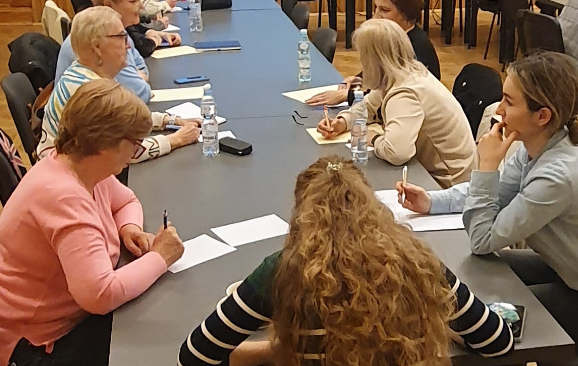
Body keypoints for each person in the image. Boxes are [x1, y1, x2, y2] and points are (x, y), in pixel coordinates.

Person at [397, 51, 578, 351]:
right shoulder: (540, 145)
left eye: (509, 102)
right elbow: (495, 194)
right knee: (471, 273)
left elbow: (482, 239)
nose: (499, 110)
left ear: (542, 116)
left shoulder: (557, 177)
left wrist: (487, 166)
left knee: (473, 324)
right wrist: (432, 201)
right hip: (572, 273)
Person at [177, 156, 514, 366]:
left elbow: (195, 356)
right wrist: (427, 326)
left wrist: (278, 349)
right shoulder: (417, 261)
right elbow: (497, 342)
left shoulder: (283, 270)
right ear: (372, 207)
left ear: (301, 215)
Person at [0, 79, 185, 366]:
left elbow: (126, 201)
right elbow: (100, 295)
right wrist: (160, 257)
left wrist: (128, 228)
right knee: (162, 343)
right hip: (27, 346)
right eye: (133, 144)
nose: (135, 152)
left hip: (45, 324)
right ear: (105, 145)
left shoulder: (80, 166)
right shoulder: (64, 197)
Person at [316, 19, 476, 188]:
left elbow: (397, 152)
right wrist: (342, 122)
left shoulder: (405, 93)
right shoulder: (402, 73)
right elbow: (367, 107)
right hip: (440, 171)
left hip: (448, 182)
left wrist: (373, 138)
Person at [38, 7, 199, 160]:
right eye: (121, 37)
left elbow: (124, 119)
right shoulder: (90, 91)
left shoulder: (88, 73)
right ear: (97, 47)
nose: (128, 45)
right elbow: (124, 152)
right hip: (66, 174)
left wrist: (169, 120)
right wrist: (176, 139)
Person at [305, 0, 441, 106]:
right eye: (376, 8)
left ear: (406, 13)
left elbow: (391, 96)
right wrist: (359, 78)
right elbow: (383, 72)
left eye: (385, 10)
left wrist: (348, 96)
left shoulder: (417, 48)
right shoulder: (392, 37)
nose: (376, 16)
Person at [55, 0, 171, 101]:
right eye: (133, 0)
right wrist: (138, 78)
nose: (141, 6)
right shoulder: (102, 39)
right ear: (109, 5)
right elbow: (139, 93)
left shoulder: (117, 31)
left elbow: (141, 66)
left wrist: (138, 77)